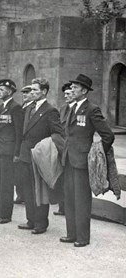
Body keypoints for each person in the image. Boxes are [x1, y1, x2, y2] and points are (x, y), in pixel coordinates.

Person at [60, 74, 114, 247]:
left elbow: (108, 136)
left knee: (81, 200)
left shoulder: (92, 109)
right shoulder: (70, 108)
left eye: (75, 87)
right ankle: (71, 233)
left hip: (83, 162)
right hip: (68, 159)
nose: (72, 90)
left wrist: (96, 154)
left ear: (84, 91)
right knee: (69, 198)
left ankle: (83, 237)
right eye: (72, 87)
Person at [18, 78, 63, 235]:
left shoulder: (50, 111)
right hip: (25, 154)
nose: (32, 93)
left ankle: (41, 223)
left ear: (44, 92)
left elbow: (57, 133)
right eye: (31, 90)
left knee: (39, 190)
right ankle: (31, 220)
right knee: (28, 189)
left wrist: (44, 147)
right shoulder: (29, 108)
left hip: (39, 155)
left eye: (35, 90)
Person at [0, 79, 23, 224]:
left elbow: (18, 132)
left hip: (8, 151)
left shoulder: (15, 108)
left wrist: (17, 153)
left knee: (6, 183)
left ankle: (6, 214)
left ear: (9, 91)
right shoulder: (1, 107)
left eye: (2, 90)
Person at [54, 82, 76, 216]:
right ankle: (62, 206)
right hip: (61, 147)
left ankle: (70, 208)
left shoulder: (78, 110)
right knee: (61, 178)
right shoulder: (62, 109)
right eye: (65, 94)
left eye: (68, 93)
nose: (66, 96)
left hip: (72, 149)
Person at [14, 85, 33, 204]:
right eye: (23, 93)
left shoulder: (31, 108)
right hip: (20, 143)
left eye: (27, 93)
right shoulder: (22, 107)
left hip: (27, 144)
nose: (25, 95)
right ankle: (20, 194)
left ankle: (24, 195)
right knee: (18, 171)